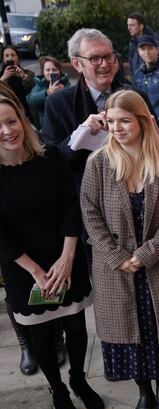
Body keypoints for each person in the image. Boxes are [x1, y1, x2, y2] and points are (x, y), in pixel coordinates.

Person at [80, 90, 159, 409]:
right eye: (111, 121)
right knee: (130, 332)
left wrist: (146, 253)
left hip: (158, 266)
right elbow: (89, 213)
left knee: (158, 328)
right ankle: (143, 391)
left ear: (142, 121)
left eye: (124, 121)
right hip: (117, 270)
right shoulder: (98, 164)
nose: (116, 128)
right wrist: (118, 256)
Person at [0, 94, 102, 409]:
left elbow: (71, 205)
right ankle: (57, 390)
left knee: (75, 325)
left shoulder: (51, 156)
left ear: (22, 120)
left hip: (65, 253)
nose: (6, 130)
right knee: (42, 336)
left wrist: (67, 258)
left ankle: (78, 378)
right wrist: (36, 272)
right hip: (22, 266)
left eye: (11, 121)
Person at [42, 28, 159, 204]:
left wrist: (157, 138)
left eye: (109, 56)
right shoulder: (58, 104)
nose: (105, 64)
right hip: (88, 208)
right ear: (77, 64)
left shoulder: (135, 96)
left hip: (140, 202)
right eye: (95, 58)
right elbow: (52, 165)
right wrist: (80, 135)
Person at [0, 82, 68, 376]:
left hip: (48, 238)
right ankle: (27, 342)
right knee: (18, 296)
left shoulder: (47, 156)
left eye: (10, 122)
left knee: (58, 306)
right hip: (14, 251)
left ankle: (55, 339)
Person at [26, 56, 70, 130]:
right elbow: (30, 99)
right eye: (48, 70)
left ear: (59, 71)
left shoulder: (66, 84)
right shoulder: (40, 85)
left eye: (54, 69)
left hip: (65, 124)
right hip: (47, 125)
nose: (51, 72)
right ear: (43, 72)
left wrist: (64, 92)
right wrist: (47, 93)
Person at [0, 46, 34, 120]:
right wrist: (2, 79)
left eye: (13, 55)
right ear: (3, 59)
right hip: (5, 115)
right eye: (7, 56)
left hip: (25, 114)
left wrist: (24, 78)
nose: (10, 58)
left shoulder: (28, 73)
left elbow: (33, 94)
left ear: (18, 58)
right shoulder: (1, 77)